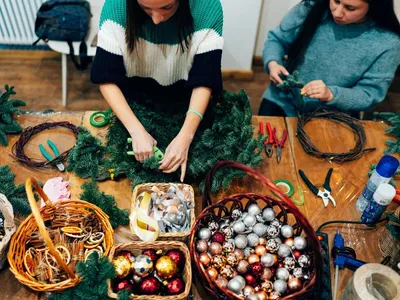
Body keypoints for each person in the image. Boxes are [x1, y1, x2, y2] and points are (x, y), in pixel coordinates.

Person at [91, 0, 223, 182]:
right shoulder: (116, 6)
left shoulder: (207, 8)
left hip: (187, 104)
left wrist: (186, 135)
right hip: (136, 103)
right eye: (145, 8)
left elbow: (205, 79)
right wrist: (136, 131)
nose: (156, 19)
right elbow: (106, 78)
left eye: (167, 7)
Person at [259, 0, 400, 117]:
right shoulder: (310, 7)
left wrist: (332, 94)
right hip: (281, 102)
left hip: (334, 117)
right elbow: (277, 40)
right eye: (336, 1)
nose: (337, 13)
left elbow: (370, 94)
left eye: (350, 8)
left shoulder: (388, 42)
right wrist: (273, 63)